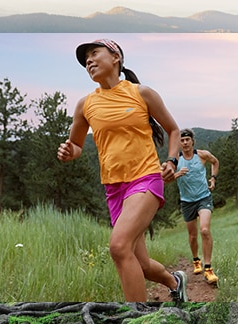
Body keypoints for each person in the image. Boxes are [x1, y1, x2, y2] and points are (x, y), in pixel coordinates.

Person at [57, 38, 188, 302]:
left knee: (118, 246)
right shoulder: (85, 105)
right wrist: (70, 152)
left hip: (145, 179)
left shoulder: (141, 93)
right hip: (114, 188)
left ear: (115, 57)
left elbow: (173, 129)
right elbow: (78, 145)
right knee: (140, 264)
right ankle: (175, 283)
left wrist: (172, 161)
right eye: (85, 60)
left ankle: (135, 321)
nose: (89, 61)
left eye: (95, 54)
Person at [173, 128, 220, 284]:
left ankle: (208, 269)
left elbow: (215, 162)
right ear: (179, 143)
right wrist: (176, 175)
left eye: (187, 140)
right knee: (193, 236)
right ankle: (195, 260)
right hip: (187, 201)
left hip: (203, 198)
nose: (185, 142)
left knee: (205, 230)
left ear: (192, 141)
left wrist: (213, 178)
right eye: (182, 140)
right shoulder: (176, 161)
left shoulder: (202, 155)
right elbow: (164, 178)